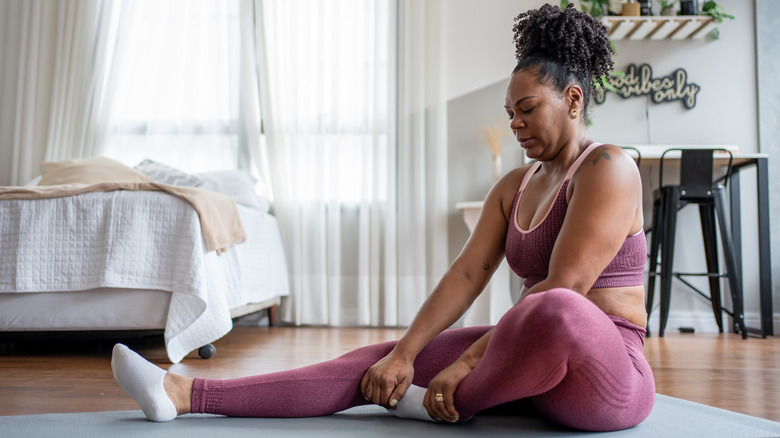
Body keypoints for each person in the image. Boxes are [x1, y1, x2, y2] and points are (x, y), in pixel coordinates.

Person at [112, 3, 654, 432]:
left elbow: (566, 287)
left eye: (528, 108)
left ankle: (452, 402)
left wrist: (465, 365)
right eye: (510, 113)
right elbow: (465, 276)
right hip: (530, 370)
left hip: (607, 380)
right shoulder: (515, 186)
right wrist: (405, 353)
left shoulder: (608, 166)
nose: (515, 123)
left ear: (574, 99)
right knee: (379, 361)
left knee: (555, 305)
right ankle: (182, 394)